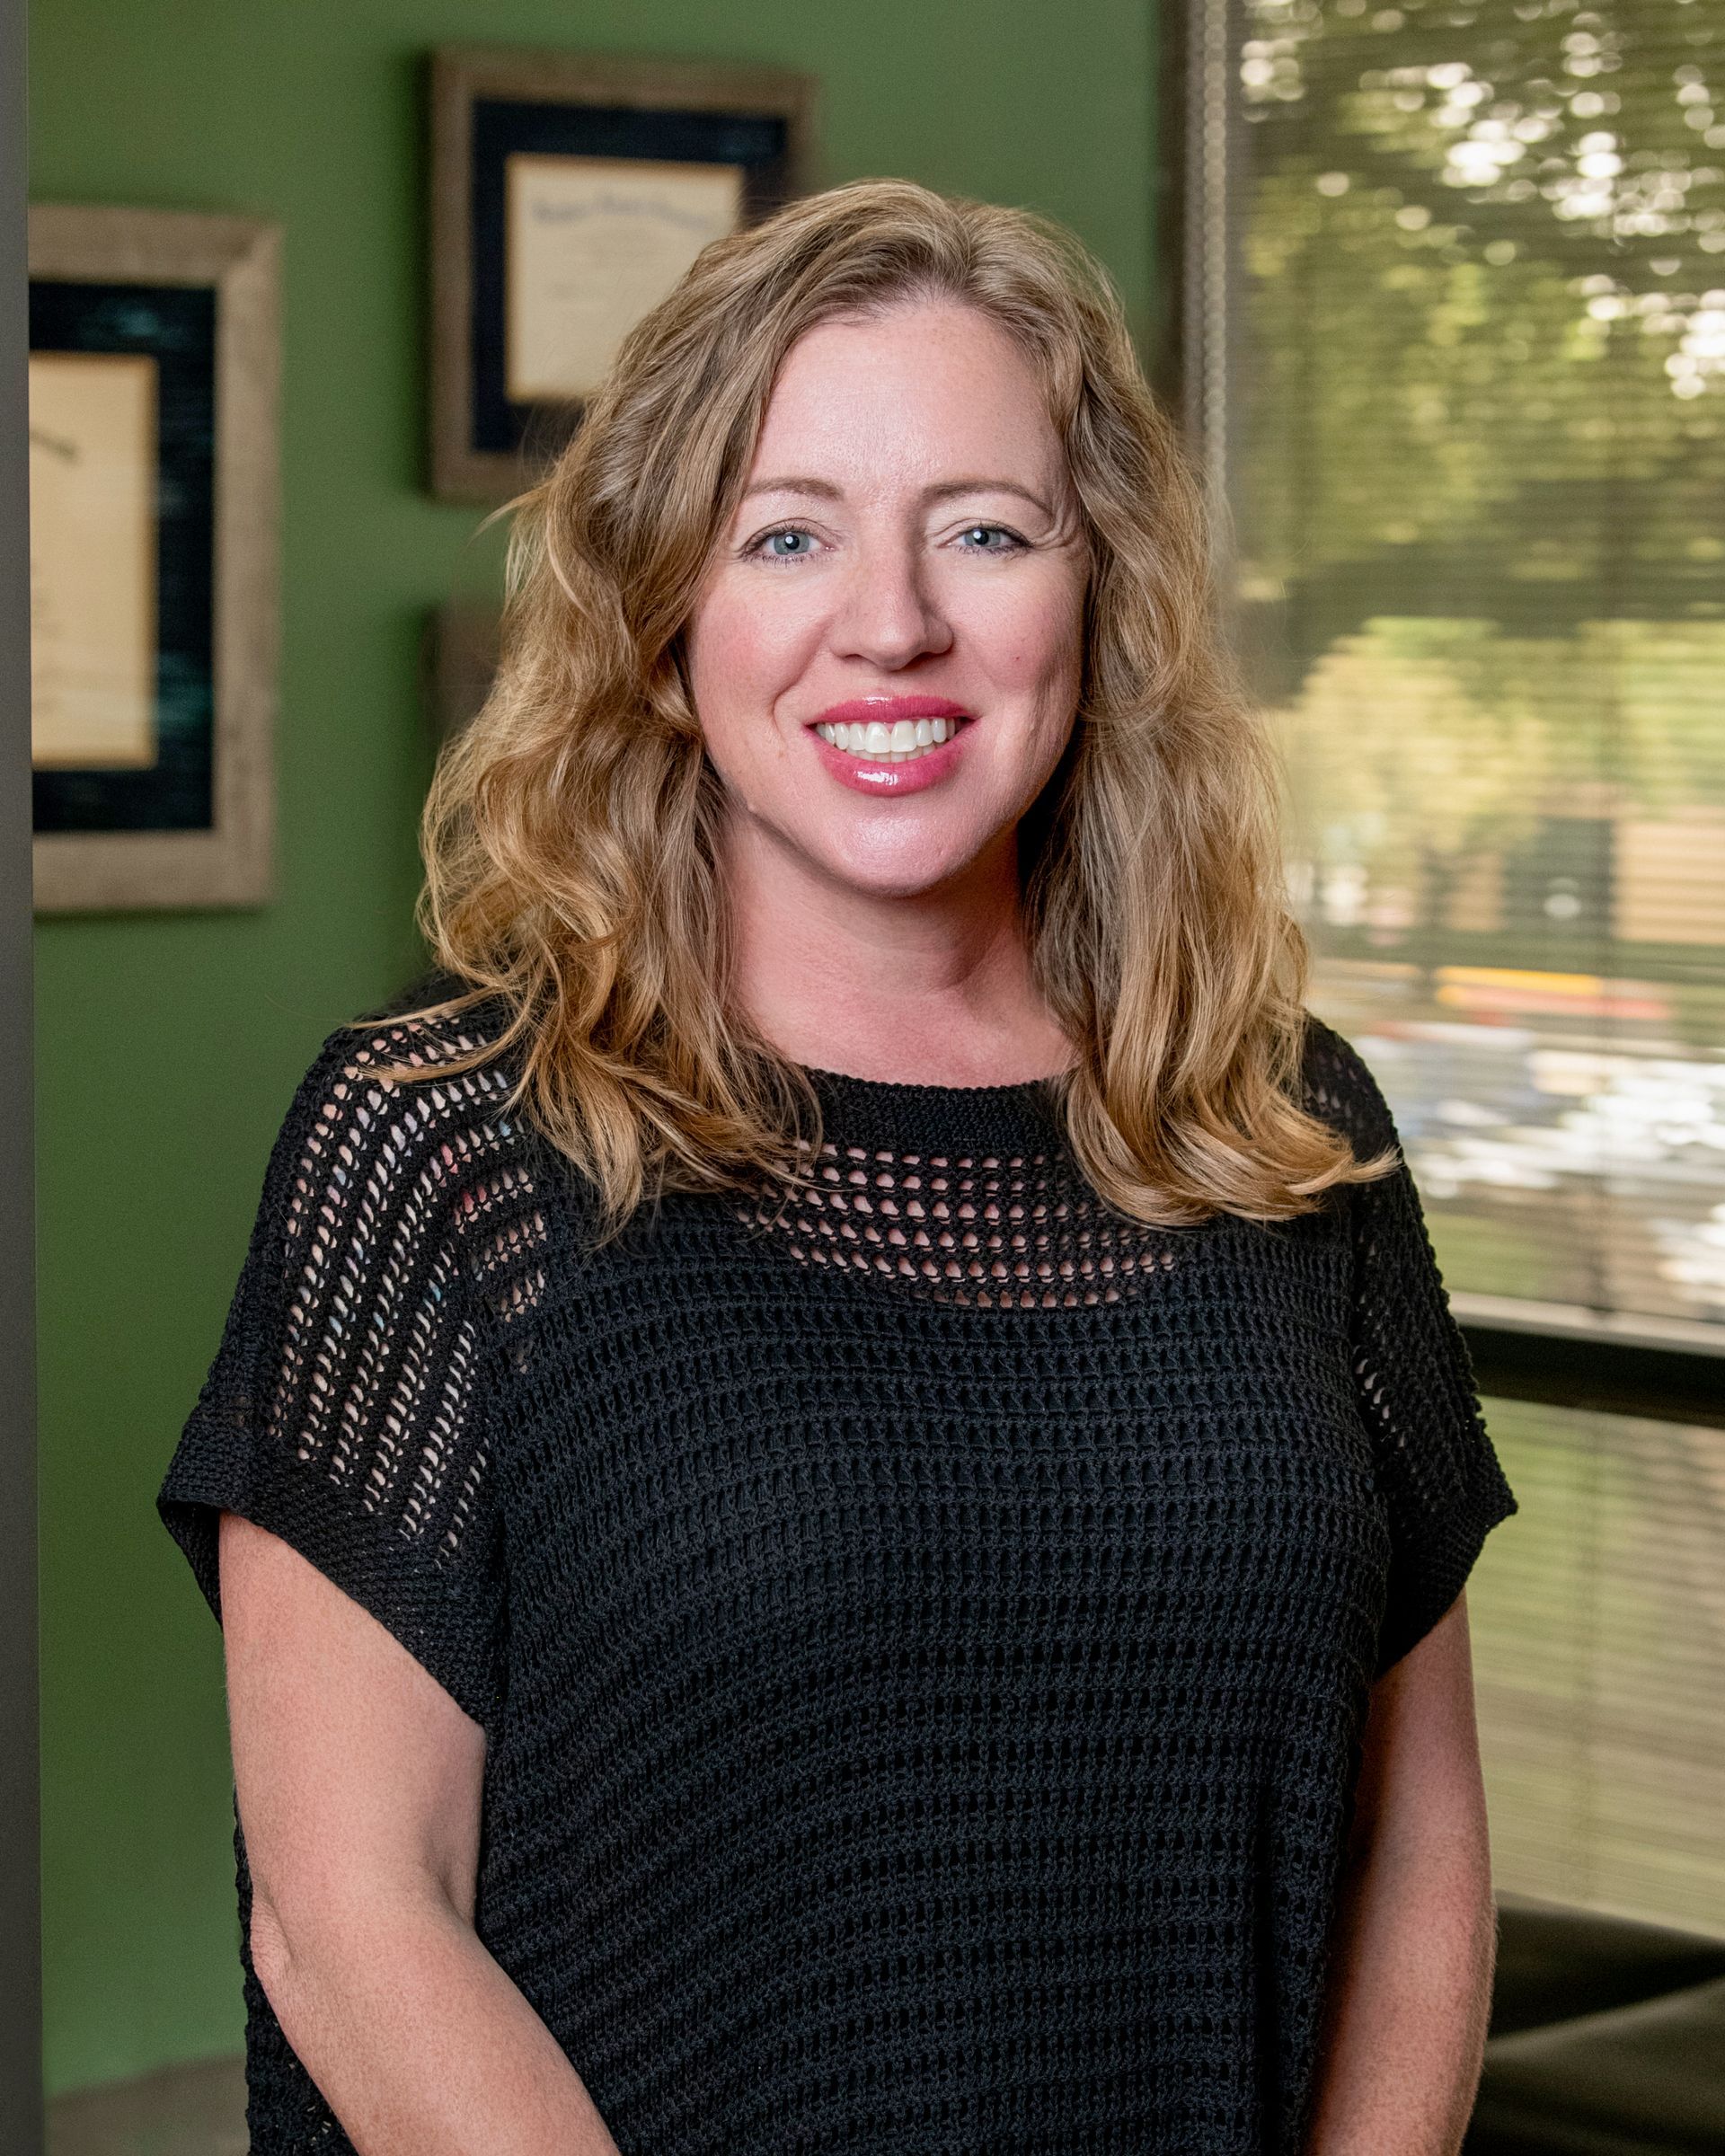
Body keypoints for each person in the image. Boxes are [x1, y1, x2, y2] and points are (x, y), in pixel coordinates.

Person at [157, 177, 1517, 2155]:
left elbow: (1420, 1843)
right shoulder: (443, 1144)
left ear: (1100, 599)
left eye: (987, 531)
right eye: (787, 534)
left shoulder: (1284, 1129)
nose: (893, 622)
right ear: (666, 625)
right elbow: (353, 1916)